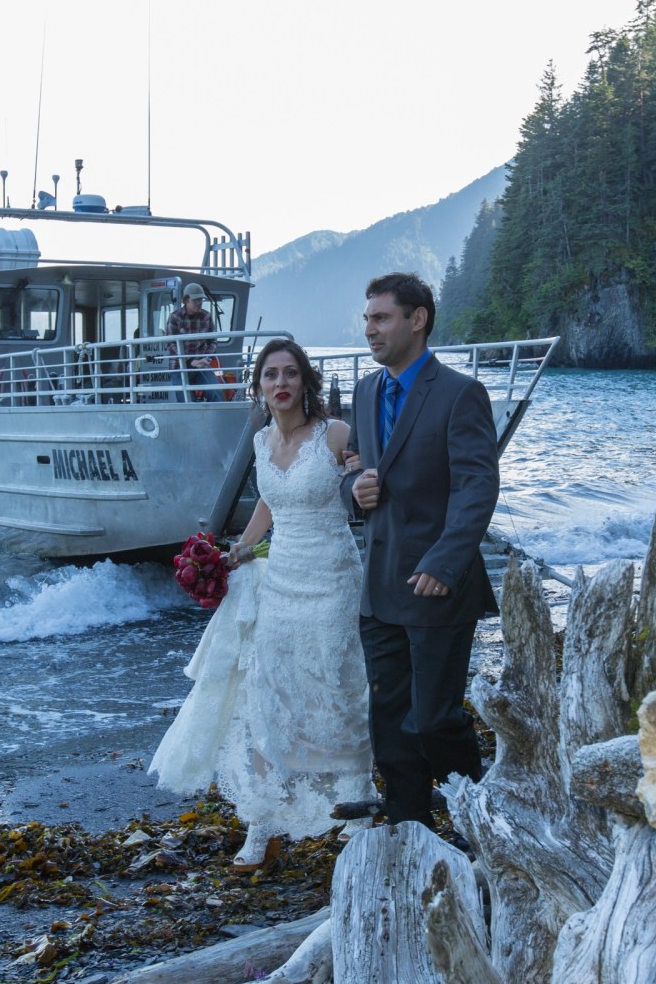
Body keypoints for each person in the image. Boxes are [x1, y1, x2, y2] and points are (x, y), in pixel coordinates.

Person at [150, 338, 374, 869]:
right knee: (269, 696)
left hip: (333, 578)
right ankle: (263, 821)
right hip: (280, 582)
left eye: (290, 373)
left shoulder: (336, 433)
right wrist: (241, 551)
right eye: (271, 374)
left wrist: (363, 474)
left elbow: (362, 487)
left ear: (305, 381)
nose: (281, 383)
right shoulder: (259, 441)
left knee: (337, 687)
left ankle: (358, 805)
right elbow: (270, 502)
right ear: (260, 385)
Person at [339, 272, 500, 830]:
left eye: (381, 318)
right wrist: (353, 490)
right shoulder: (365, 391)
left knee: (435, 720)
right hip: (379, 585)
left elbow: (477, 486)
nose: (370, 330)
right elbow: (355, 467)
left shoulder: (460, 393)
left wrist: (445, 560)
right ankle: (407, 821)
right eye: (367, 319)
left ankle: (480, 821)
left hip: (437, 585)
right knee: (388, 718)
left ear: (418, 319)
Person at [166, 283, 219, 403]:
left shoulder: (207, 317)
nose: (199, 302)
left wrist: (206, 358)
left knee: (216, 393)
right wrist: (190, 361)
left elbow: (213, 341)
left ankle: (217, 419)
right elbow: (171, 344)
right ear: (186, 300)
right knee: (187, 401)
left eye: (201, 299)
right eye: (196, 300)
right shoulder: (174, 317)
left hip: (201, 365)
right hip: (179, 367)